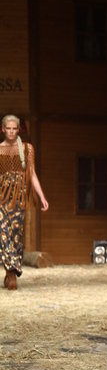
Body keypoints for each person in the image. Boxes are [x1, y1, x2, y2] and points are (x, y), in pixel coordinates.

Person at [0, 115, 49, 290]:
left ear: (19, 130)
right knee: (3, 234)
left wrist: (42, 197)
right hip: (1, 199)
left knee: (15, 236)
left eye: (14, 129)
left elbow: (32, 174)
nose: (11, 132)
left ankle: (11, 271)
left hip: (18, 200)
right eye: (8, 128)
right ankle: (11, 272)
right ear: (3, 129)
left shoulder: (27, 149)